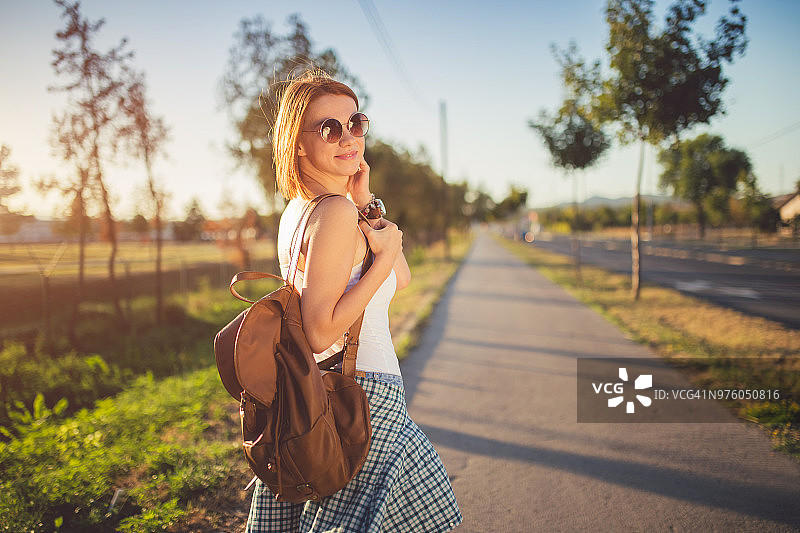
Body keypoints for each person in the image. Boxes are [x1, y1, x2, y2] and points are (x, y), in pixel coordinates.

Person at [244, 71, 462, 532]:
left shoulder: (304, 210)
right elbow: (320, 329)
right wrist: (378, 257)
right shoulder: (333, 213)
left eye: (355, 123)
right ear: (298, 144)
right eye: (329, 128)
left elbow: (402, 277)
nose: (349, 138)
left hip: (330, 389)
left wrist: (366, 204)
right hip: (365, 392)